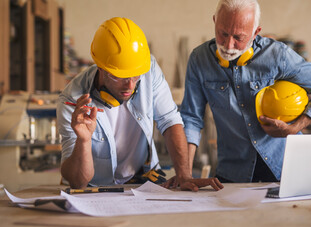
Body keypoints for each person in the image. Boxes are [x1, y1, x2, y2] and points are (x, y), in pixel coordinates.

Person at [180, 0, 311, 183]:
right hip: (233, 173)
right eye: (222, 34)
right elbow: (191, 119)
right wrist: (185, 174)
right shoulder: (199, 60)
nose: (228, 45)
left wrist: (294, 128)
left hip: (285, 169)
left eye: (238, 38)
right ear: (215, 21)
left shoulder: (277, 55)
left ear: (256, 32)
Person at [57, 17, 223, 191]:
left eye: (136, 76)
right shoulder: (73, 101)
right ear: (101, 67)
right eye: (120, 77)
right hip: (97, 188)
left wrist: (184, 175)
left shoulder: (148, 68)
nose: (130, 85)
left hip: (144, 180)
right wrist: (83, 141)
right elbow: (78, 183)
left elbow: (170, 120)